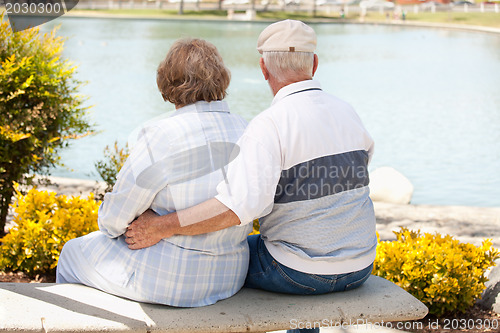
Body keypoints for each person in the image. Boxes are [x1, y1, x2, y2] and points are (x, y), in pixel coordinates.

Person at [126, 20, 377, 333]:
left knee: (221, 261)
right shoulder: (348, 112)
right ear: (314, 63)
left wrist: (160, 227)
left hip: (296, 273)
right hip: (361, 265)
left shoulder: (269, 125)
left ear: (263, 67)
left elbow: (235, 209)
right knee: (292, 250)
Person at [56, 38, 252, 307]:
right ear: (220, 78)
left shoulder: (163, 135)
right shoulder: (247, 128)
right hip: (230, 277)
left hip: (172, 279)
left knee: (71, 253)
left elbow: (113, 220)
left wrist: (152, 219)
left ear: (168, 81)